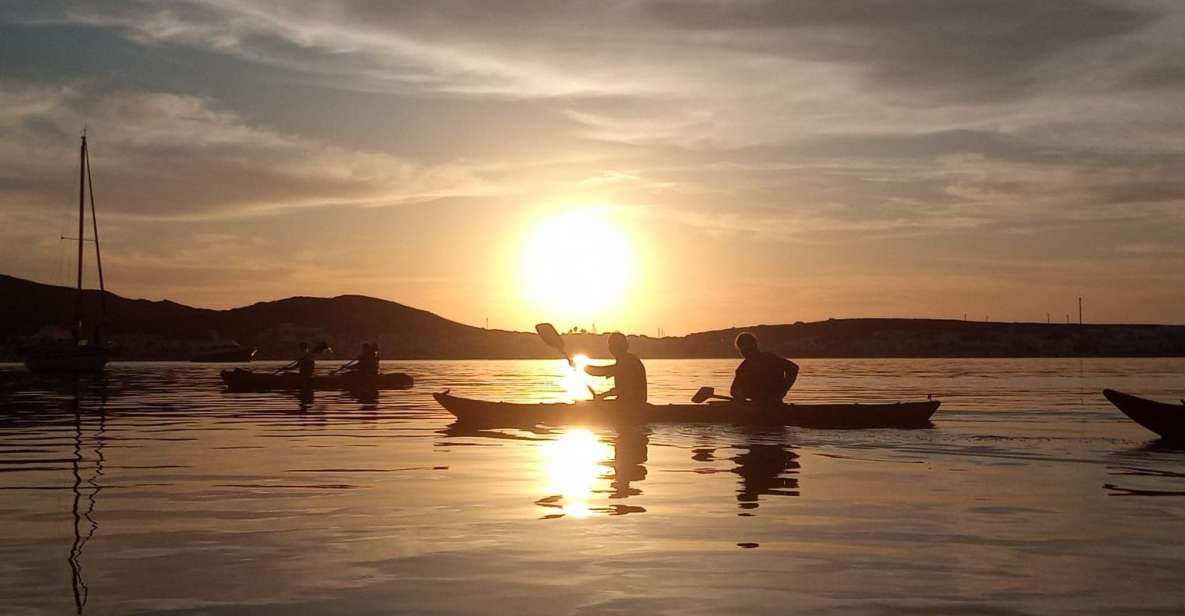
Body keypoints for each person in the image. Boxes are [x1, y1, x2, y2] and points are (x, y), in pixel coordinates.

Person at [729, 332, 798, 404]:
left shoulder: (769, 358)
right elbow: (734, 391)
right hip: (756, 405)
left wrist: (783, 391)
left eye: (749, 348)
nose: (746, 352)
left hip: (773, 404)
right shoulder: (742, 369)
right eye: (745, 349)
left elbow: (793, 368)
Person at [584, 332, 648, 403]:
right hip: (625, 402)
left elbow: (602, 371)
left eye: (612, 345)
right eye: (610, 345)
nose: (610, 348)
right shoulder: (624, 360)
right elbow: (604, 372)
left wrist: (602, 396)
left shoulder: (629, 361)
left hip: (632, 405)